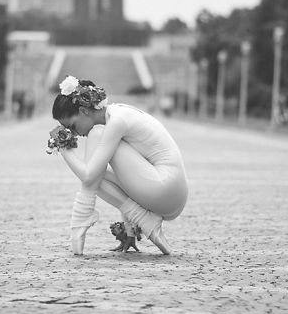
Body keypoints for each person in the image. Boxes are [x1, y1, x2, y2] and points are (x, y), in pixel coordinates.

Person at [49, 75, 188, 255]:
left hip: (164, 187)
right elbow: (105, 175)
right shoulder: (116, 113)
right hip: (170, 193)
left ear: (84, 110)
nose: (74, 133)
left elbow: (88, 176)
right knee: (97, 171)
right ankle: (143, 220)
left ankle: (82, 219)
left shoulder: (116, 121)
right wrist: (129, 231)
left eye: (72, 126)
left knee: (96, 142)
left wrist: (63, 147)